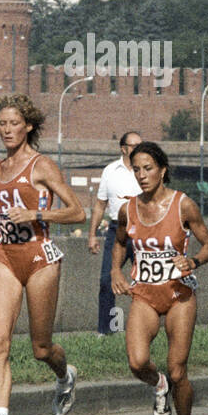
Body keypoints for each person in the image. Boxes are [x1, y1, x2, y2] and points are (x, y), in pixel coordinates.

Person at [0, 94, 86, 415]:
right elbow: (4, 213)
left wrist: (36, 214)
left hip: (40, 257)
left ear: (29, 126)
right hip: (6, 256)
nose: (6, 130)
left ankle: (65, 375)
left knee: (40, 348)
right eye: (1, 123)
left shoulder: (41, 166)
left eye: (14, 123)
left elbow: (78, 212)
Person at [111, 142, 208, 415]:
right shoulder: (127, 209)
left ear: (162, 170)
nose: (142, 175)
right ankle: (159, 386)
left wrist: (193, 262)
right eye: (137, 169)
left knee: (178, 370)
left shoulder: (183, 205)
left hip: (179, 293)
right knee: (137, 362)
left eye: (148, 168)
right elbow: (118, 242)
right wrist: (116, 270)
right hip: (144, 292)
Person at [87, 131, 142, 335]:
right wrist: (92, 234)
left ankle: (143, 329)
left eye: (141, 145)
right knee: (106, 280)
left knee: (145, 280)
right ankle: (106, 330)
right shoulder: (110, 170)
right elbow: (100, 205)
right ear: (123, 148)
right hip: (116, 230)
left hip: (142, 230)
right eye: (134, 145)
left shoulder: (145, 170)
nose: (138, 148)